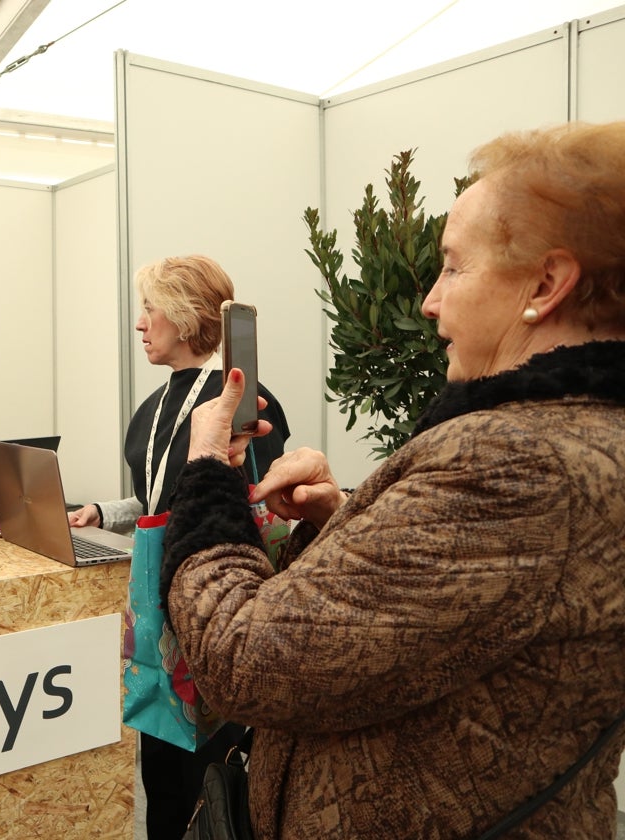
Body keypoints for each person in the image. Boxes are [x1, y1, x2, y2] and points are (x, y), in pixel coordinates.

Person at [160, 121, 625, 838]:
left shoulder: (515, 464)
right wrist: (344, 519)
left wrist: (204, 480)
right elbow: (476, 616)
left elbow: (241, 656)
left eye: (455, 266)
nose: (431, 301)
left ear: (546, 283)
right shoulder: (578, 443)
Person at [66, 255, 290, 840]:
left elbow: (248, 505)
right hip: (161, 612)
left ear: (187, 318)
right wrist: (105, 512)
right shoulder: (151, 409)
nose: (140, 323)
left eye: (150, 308)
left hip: (212, 613)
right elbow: (158, 495)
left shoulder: (240, 400)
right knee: (162, 773)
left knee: (209, 780)